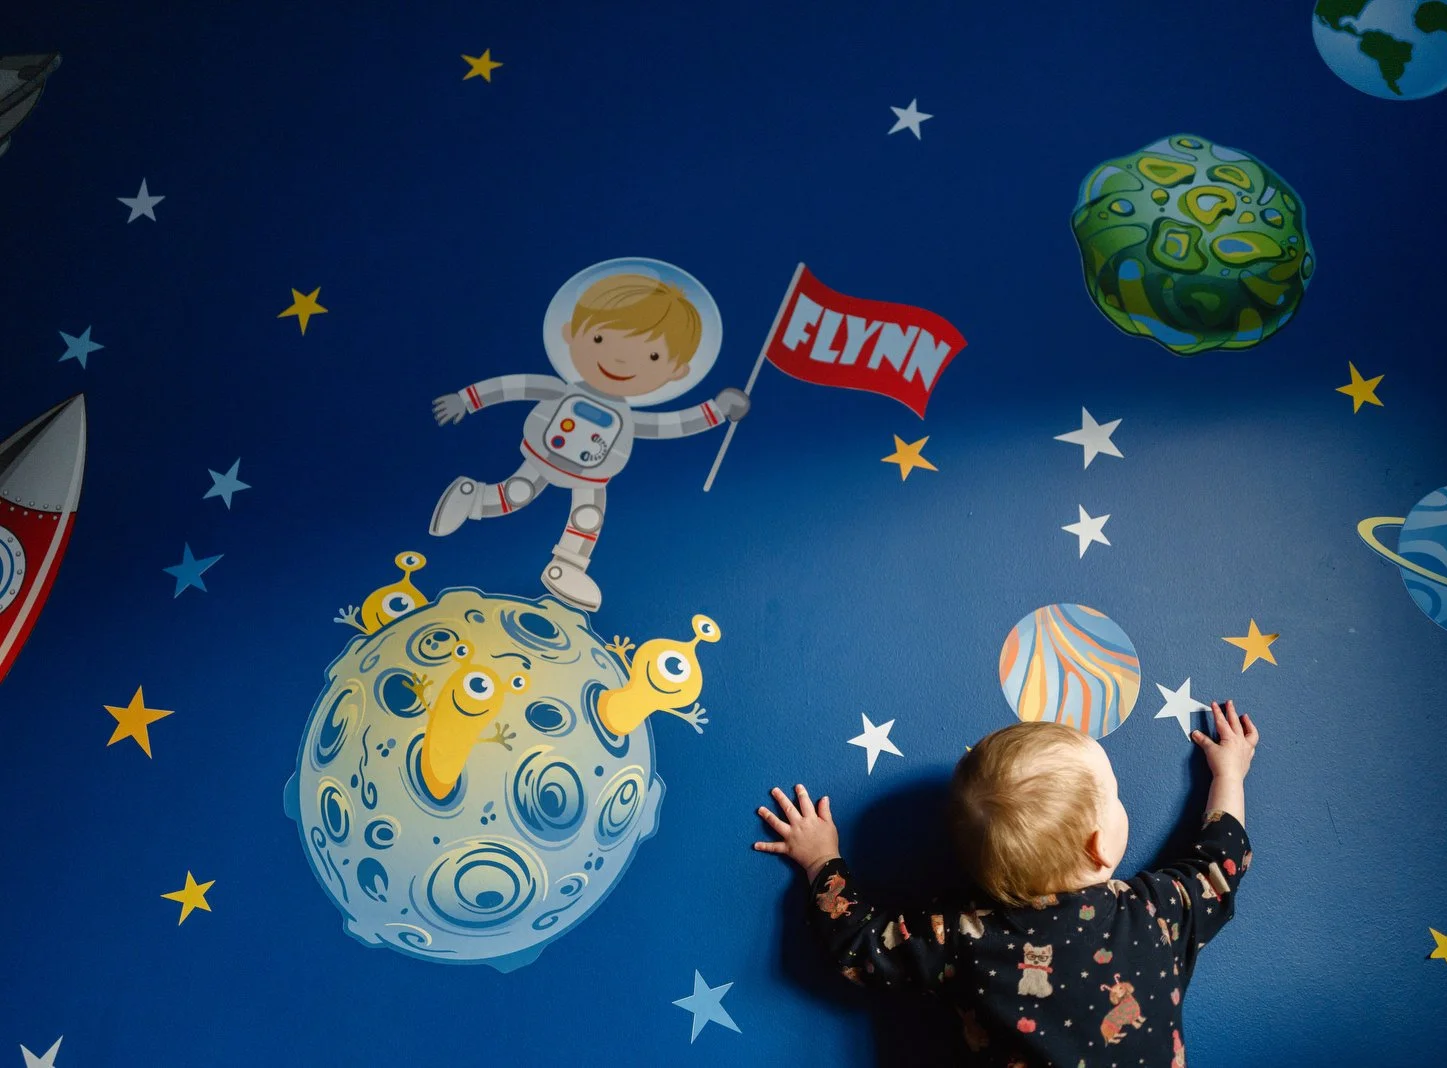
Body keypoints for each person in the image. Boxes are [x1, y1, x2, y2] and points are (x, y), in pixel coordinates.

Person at [755, 700, 1259, 1066]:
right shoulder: (1154, 912)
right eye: (1117, 796)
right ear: (1100, 847)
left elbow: (859, 945)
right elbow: (1221, 864)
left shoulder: (956, 937)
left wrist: (821, 856)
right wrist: (1229, 774)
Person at [429, 271, 750, 612]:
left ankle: (566, 567)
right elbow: (517, 385)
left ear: (676, 372)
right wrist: (467, 399)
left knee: (587, 518)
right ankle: (471, 497)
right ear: (571, 333)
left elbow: (672, 424)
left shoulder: (629, 419)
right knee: (516, 493)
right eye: (601, 340)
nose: (621, 360)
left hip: (591, 477)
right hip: (542, 456)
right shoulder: (560, 390)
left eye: (653, 357)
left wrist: (718, 410)